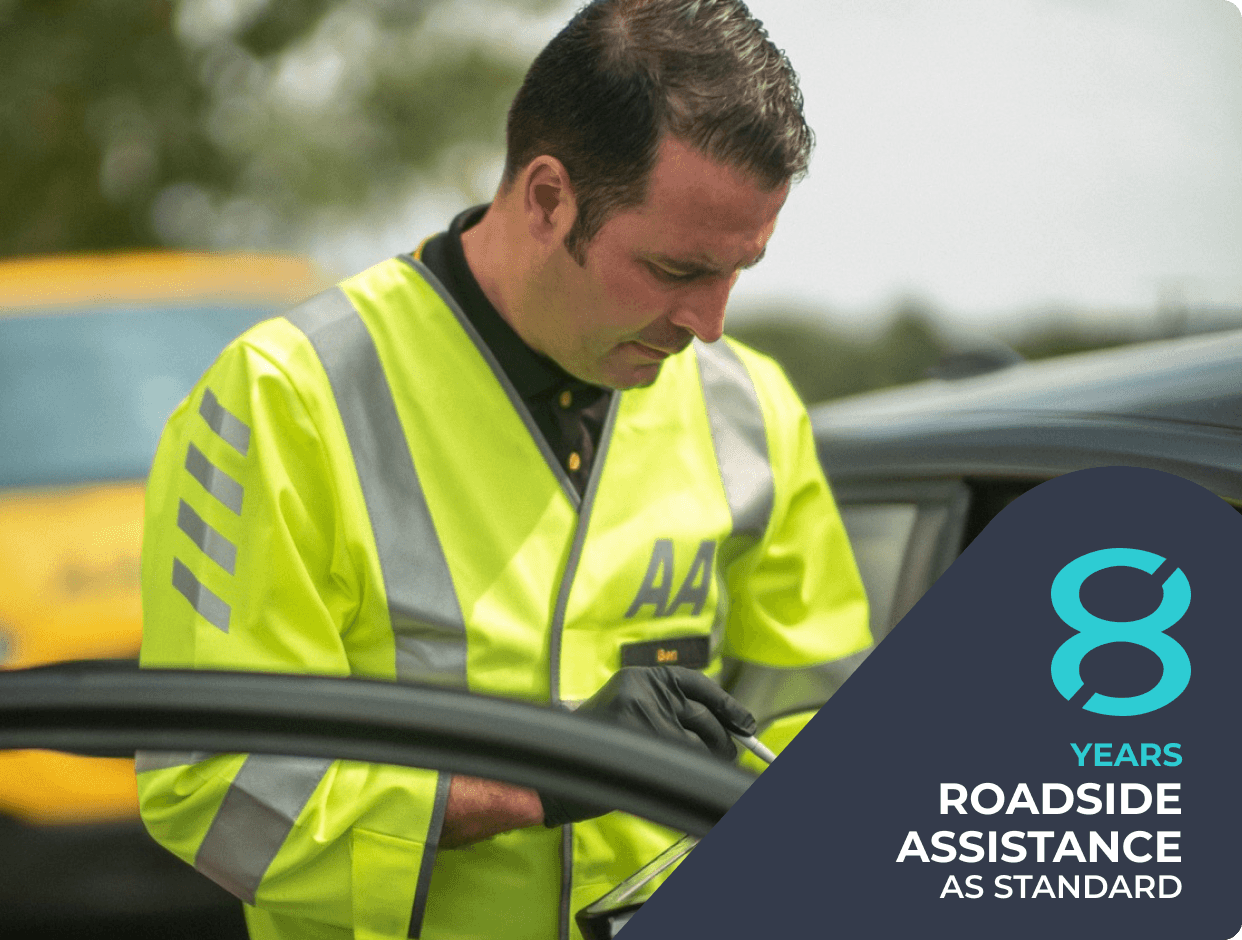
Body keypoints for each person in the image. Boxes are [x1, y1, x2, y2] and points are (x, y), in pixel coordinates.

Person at [135, 1, 872, 937]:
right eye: (676, 269)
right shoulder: (283, 400)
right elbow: (214, 790)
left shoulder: (753, 411)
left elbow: (829, 734)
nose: (709, 321)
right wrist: (534, 780)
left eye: (739, 270)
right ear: (549, 198)